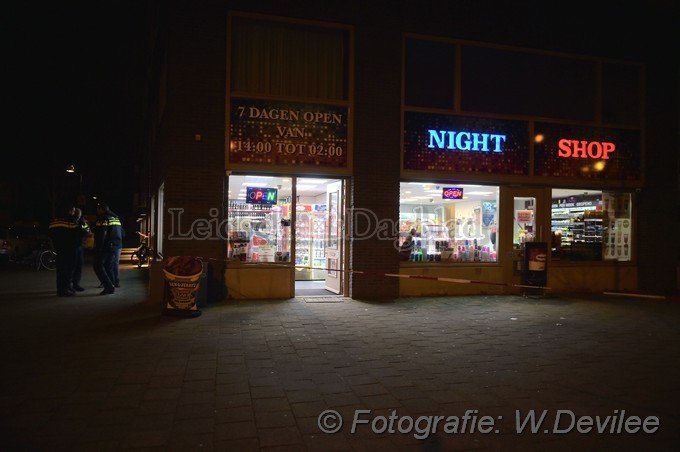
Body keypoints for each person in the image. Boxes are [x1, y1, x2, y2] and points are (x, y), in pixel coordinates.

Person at [49, 204, 86, 296]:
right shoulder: (71, 220)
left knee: (60, 270)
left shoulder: (54, 220)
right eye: (73, 211)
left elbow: (50, 233)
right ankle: (65, 289)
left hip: (59, 248)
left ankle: (61, 289)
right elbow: (82, 232)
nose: (74, 213)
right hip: (70, 249)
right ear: (70, 211)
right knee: (68, 270)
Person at [93, 203, 123, 295]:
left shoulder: (103, 218)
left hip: (105, 246)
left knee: (97, 265)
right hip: (115, 246)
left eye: (98, 209)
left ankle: (108, 286)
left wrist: (98, 247)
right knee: (108, 266)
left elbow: (101, 234)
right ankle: (112, 284)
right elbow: (122, 232)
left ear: (100, 209)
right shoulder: (115, 218)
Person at [71, 208, 90, 292]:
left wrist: (83, 231)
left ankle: (76, 284)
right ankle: (70, 284)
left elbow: (87, 231)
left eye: (79, 214)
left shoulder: (82, 222)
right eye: (76, 213)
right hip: (72, 247)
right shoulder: (71, 221)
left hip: (79, 246)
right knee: (72, 267)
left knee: (79, 266)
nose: (78, 215)